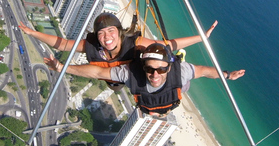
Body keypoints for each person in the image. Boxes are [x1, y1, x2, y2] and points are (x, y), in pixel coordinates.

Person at [21, 12, 217, 87]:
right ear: (96, 35)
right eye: (101, 33)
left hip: (133, 73)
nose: (107, 37)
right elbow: (63, 44)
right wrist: (32, 33)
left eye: (111, 31)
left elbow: (166, 44)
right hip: (114, 77)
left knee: (165, 64)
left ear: (119, 32)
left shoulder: (135, 43)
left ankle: (176, 61)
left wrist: (202, 38)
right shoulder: (92, 46)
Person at [45, 42, 245, 115]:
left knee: (185, 82)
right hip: (151, 104)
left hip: (177, 89)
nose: (155, 74)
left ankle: (177, 56)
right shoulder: (130, 73)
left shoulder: (179, 71)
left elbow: (203, 71)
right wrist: (62, 68)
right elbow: (97, 72)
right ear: (143, 67)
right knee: (156, 105)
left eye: (161, 69)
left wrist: (227, 75)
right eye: (150, 69)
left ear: (169, 66)